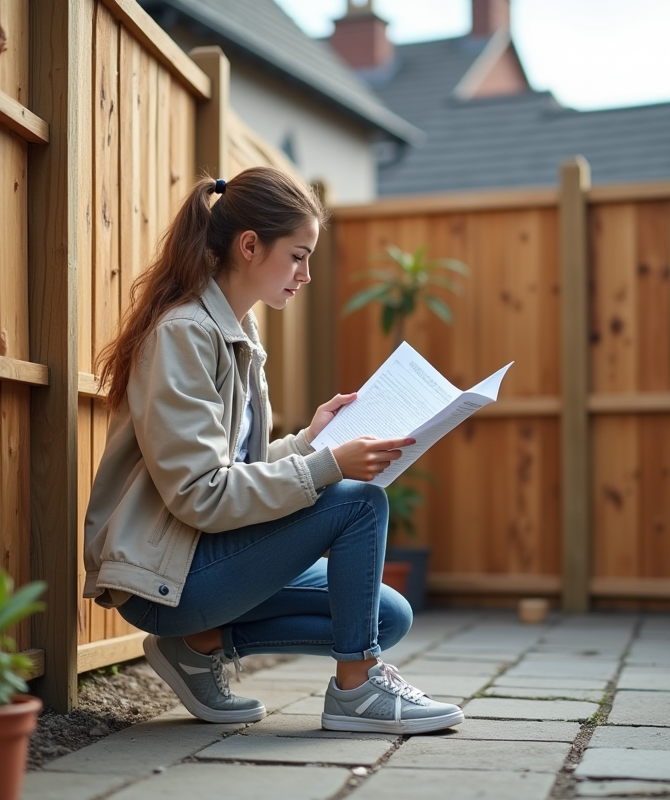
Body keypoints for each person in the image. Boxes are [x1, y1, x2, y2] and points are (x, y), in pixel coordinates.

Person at [82, 167, 464, 735]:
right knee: (358, 500)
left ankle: (198, 646)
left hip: (206, 556)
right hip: (164, 577)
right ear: (250, 246)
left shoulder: (239, 332)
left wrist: (311, 439)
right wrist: (328, 463)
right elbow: (200, 494)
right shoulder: (184, 334)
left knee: (387, 613)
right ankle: (357, 691)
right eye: (298, 256)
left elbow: (238, 471)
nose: (306, 275)